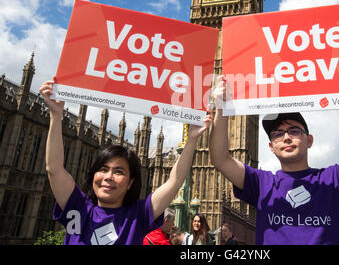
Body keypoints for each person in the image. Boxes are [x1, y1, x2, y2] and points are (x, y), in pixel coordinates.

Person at [209, 67, 339, 245]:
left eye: (294, 131)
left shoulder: (335, 179)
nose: (286, 137)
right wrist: (221, 109)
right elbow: (220, 159)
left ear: (309, 140)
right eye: (278, 134)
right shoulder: (261, 183)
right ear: (271, 147)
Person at [39, 78, 211, 245]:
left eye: (118, 171)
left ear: (130, 183)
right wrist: (56, 115)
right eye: (103, 169)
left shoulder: (138, 216)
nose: (109, 176)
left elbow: (175, 181)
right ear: (93, 175)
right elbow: (54, 169)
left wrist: (192, 140)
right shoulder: (78, 208)